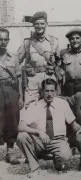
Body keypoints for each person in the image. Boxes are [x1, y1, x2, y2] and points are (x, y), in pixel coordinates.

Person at [17, 78, 81, 177]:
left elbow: (73, 123)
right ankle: (35, 168)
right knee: (21, 136)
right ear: (42, 91)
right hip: (40, 141)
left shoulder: (62, 104)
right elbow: (20, 127)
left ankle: (56, 158)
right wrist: (39, 132)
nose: (49, 94)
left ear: (56, 91)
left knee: (65, 157)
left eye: (52, 91)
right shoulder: (34, 106)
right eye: (46, 91)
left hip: (58, 140)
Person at [17, 11, 61, 100]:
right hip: (33, 81)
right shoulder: (27, 43)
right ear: (33, 25)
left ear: (46, 24)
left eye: (42, 23)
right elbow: (17, 61)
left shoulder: (54, 41)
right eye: (36, 24)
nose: (39, 26)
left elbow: (59, 62)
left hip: (49, 81)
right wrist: (24, 70)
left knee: (51, 108)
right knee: (31, 108)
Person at [0, 28, 23, 164]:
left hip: (10, 90)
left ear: (8, 40)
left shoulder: (13, 57)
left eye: (5, 39)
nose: (2, 42)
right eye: (0, 39)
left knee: (12, 119)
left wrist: (20, 97)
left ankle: (10, 151)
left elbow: (19, 78)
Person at [60, 28, 81, 96]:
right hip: (69, 86)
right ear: (69, 40)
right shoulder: (63, 53)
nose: (75, 41)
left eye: (77, 38)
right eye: (72, 38)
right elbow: (59, 68)